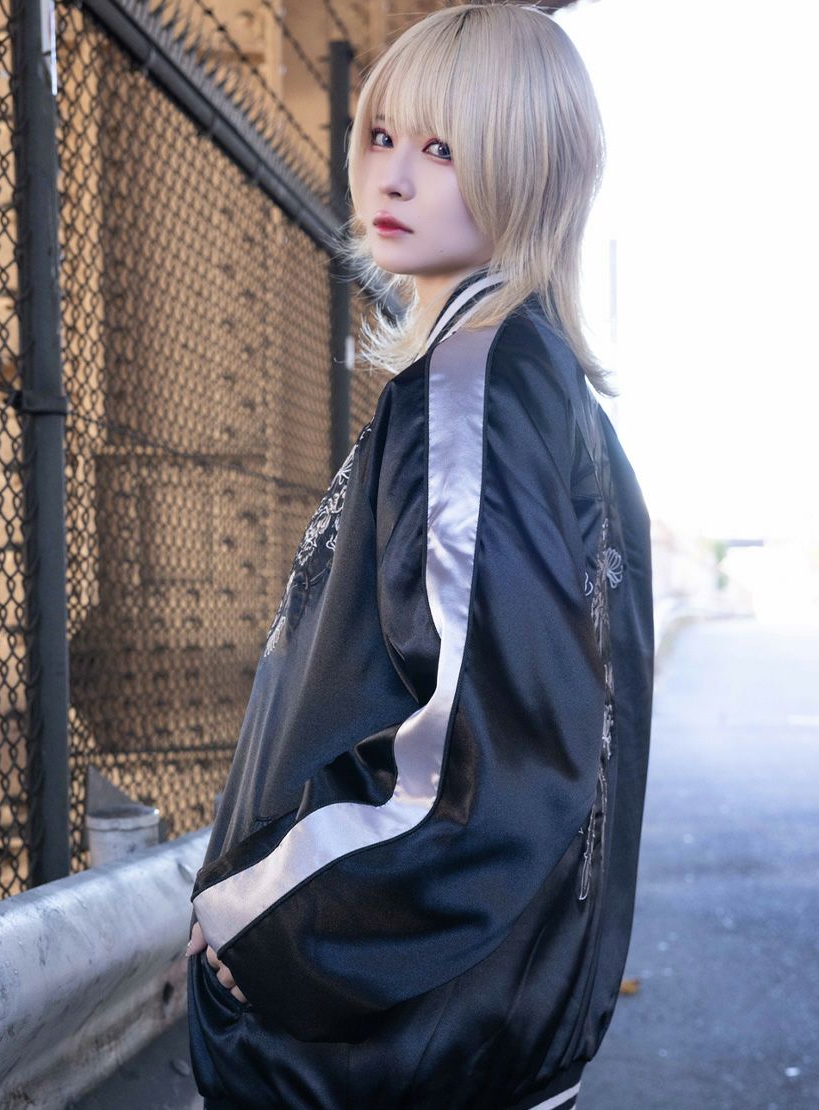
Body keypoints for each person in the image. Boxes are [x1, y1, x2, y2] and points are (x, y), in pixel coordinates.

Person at [184, 4, 654, 1108]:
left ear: (528, 170)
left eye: (443, 148)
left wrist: (257, 927)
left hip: (393, 1054)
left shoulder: (476, 385)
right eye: (383, 134)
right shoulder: (538, 392)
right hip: (482, 1032)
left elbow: (479, 760)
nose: (391, 176)